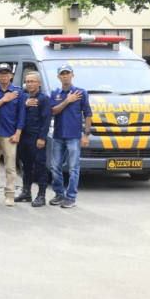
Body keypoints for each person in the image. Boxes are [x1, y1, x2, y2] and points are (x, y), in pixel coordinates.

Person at [50, 64, 92, 209]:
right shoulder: (55, 93)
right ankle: (59, 194)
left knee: (74, 168)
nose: (65, 76)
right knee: (55, 167)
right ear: (58, 77)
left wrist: (86, 134)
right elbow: (53, 112)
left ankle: (71, 197)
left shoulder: (81, 93)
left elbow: (88, 114)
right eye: (62, 74)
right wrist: (67, 100)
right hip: (58, 136)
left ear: (72, 75)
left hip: (74, 137)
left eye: (68, 73)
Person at [0, 63, 26, 206]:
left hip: (10, 135)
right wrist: (3, 99)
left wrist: (18, 133)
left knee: (10, 167)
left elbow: (22, 114)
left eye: (6, 73)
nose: (4, 76)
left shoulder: (18, 92)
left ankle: (9, 195)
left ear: (11, 75)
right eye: (1, 73)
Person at [16, 71, 52, 207]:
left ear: (39, 83)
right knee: (26, 167)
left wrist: (42, 138)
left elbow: (46, 120)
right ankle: (26, 192)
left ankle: (41, 195)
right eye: (28, 81)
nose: (30, 84)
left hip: (37, 139)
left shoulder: (44, 99)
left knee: (40, 168)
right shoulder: (24, 97)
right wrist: (25, 104)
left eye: (32, 81)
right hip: (24, 139)